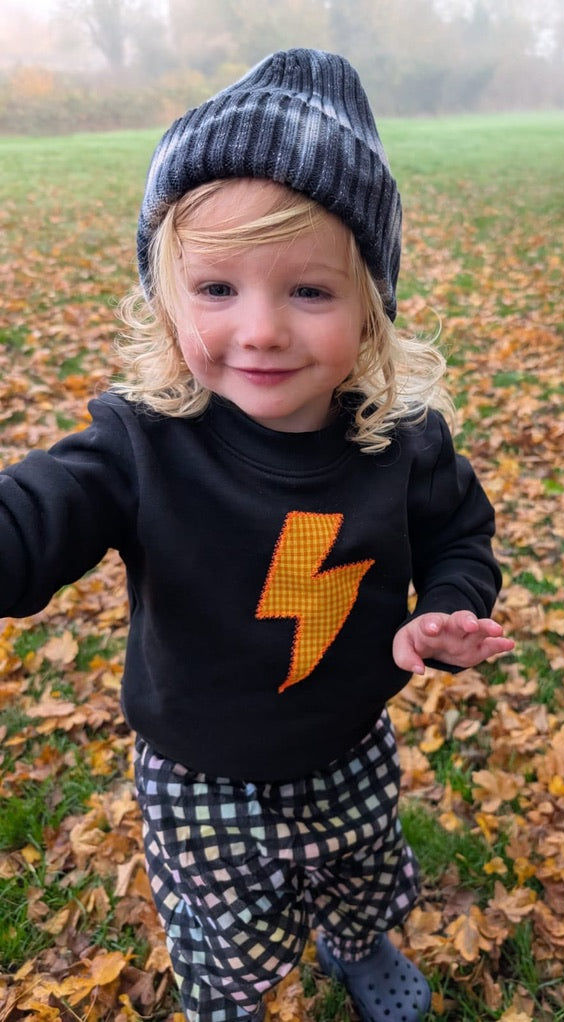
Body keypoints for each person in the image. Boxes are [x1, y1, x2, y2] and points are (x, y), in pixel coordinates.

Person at [0, 49, 513, 1022]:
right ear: (165, 291)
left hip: (348, 739)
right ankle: (229, 999)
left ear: (371, 303)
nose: (263, 329)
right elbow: (33, 521)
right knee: (224, 932)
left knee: (360, 869)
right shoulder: (140, 443)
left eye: (309, 292)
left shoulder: (400, 440)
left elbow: (460, 533)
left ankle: (357, 941)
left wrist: (449, 606)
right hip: (197, 763)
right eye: (218, 289)